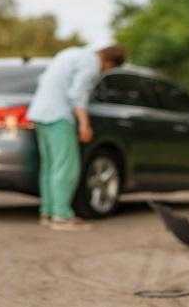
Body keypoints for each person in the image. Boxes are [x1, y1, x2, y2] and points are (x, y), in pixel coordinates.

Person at [27, 45, 126, 231]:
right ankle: (62, 216)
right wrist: (84, 124)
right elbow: (78, 94)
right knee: (66, 167)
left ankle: (47, 213)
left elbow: (44, 79)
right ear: (109, 62)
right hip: (59, 116)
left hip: (39, 113)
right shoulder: (91, 64)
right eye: (109, 69)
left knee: (49, 167)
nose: (104, 71)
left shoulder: (70, 53)